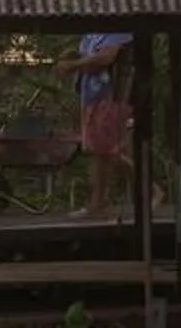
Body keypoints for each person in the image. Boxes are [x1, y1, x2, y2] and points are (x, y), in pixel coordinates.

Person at [51, 31, 132, 224]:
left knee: (105, 150)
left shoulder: (118, 28)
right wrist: (72, 58)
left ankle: (147, 189)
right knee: (99, 151)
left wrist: (74, 65)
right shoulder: (93, 32)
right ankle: (98, 204)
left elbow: (106, 57)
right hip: (91, 98)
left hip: (110, 97)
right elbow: (87, 58)